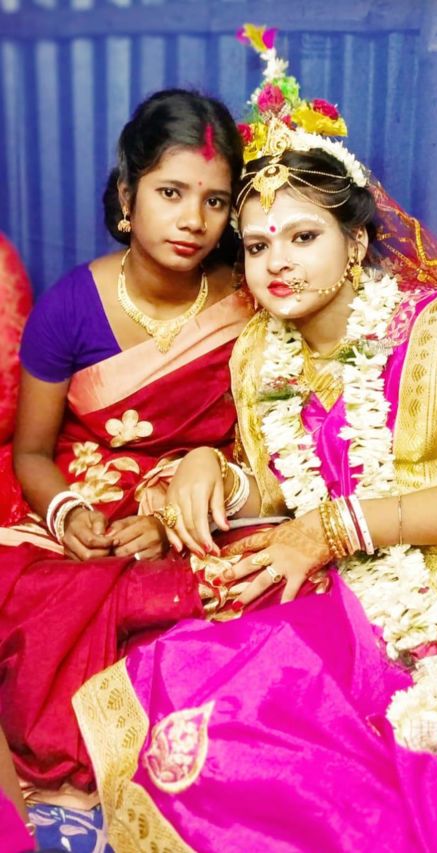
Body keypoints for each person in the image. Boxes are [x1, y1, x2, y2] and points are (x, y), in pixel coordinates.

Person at [74, 30, 437, 852]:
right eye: (257, 245)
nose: (276, 263)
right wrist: (211, 471)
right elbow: (286, 483)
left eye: (303, 237)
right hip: (355, 587)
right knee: (202, 712)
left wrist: (334, 529)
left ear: (359, 243)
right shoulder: (259, 354)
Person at [0, 88, 254, 800]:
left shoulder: (251, 302)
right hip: (80, 497)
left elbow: (261, 447)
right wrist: (70, 515)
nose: (193, 219)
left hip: (201, 504)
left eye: (214, 200)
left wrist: (171, 515)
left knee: (240, 598)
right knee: (47, 598)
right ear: (125, 195)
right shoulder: (71, 306)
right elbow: (30, 452)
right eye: (171, 192)